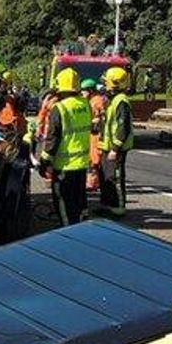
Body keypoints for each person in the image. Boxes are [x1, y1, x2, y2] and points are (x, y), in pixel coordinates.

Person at [39, 68, 92, 226]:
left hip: (63, 166)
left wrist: (45, 161)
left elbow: (53, 138)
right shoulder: (85, 104)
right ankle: (80, 226)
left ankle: (66, 232)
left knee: (63, 201)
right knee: (78, 200)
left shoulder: (60, 108)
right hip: (81, 164)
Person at [98, 67, 134, 217]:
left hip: (115, 148)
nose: (104, 85)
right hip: (107, 146)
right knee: (106, 177)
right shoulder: (113, 100)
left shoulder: (121, 102)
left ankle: (118, 208)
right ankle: (107, 205)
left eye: (106, 82)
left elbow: (122, 127)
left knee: (115, 178)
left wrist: (115, 149)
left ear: (115, 84)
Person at [81, 79, 106, 191]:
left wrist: (89, 122)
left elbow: (100, 118)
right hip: (92, 134)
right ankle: (93, 182)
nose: (82, 93)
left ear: (90, 90)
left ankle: (93, 183)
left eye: (84, 91)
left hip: (96, 135)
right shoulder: (91, 100)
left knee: (94, 160)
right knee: (92, 159)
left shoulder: (96, 101)